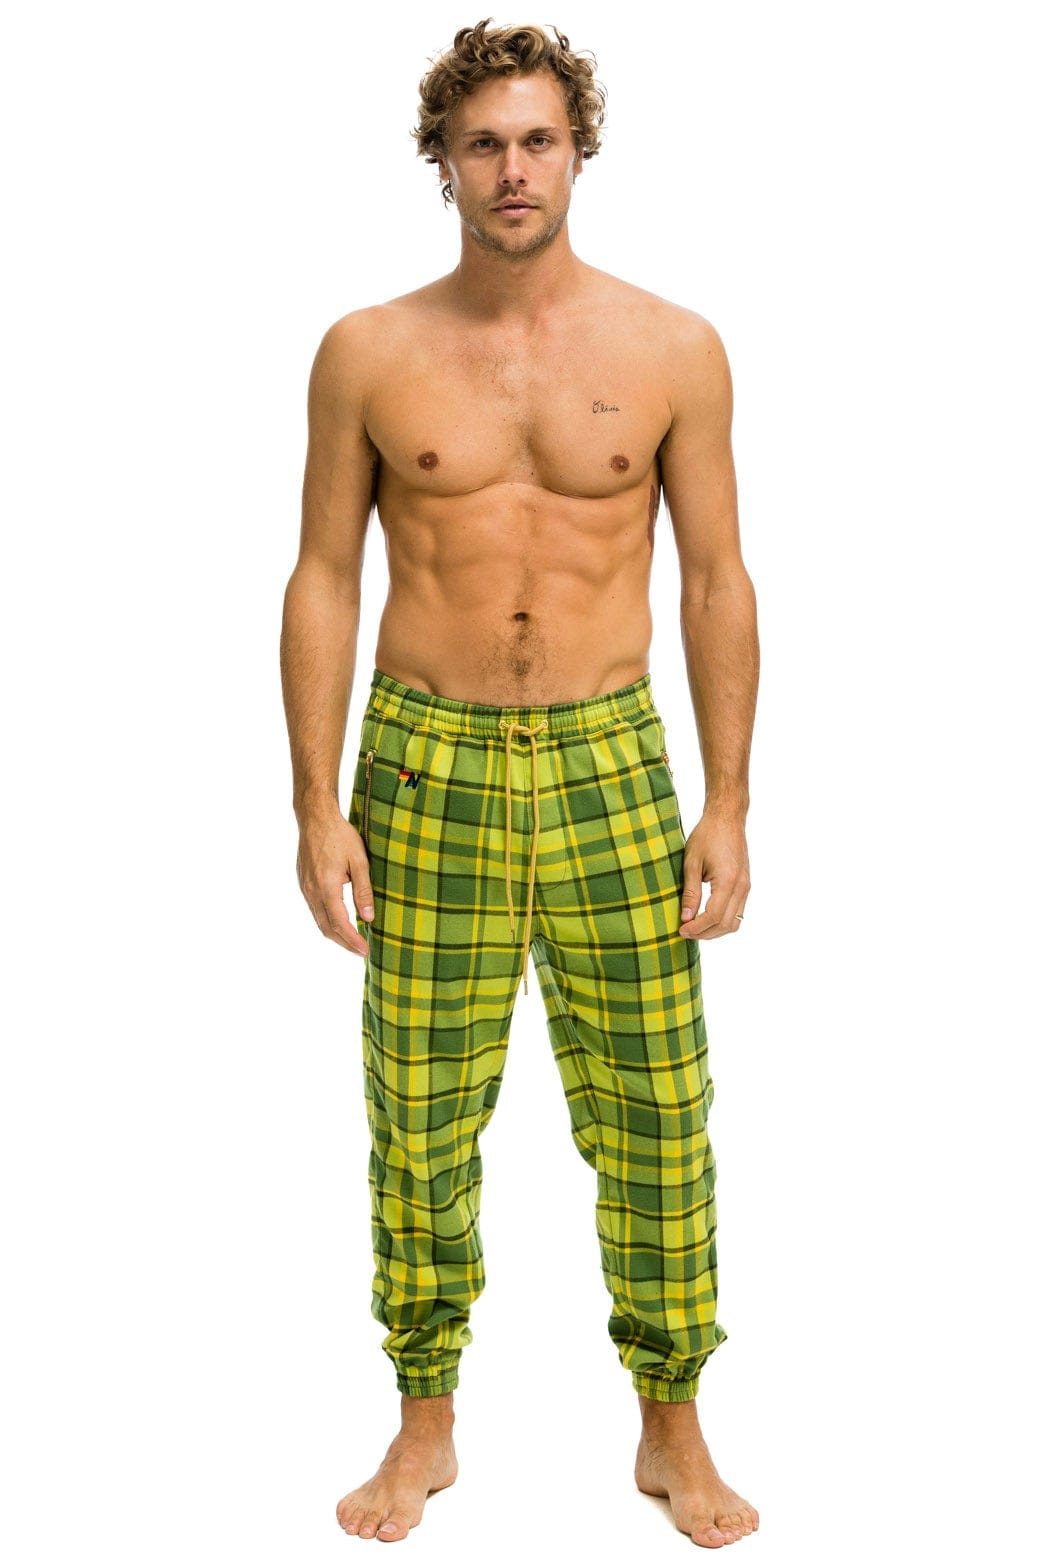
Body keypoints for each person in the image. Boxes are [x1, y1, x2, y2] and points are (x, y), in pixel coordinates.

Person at [280, 18, 760, 1548]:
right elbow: (322, 576)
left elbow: (716, 580)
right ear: (442, 161)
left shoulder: (675, 348)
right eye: (482, 142)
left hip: (613, 758)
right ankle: (424, 1419)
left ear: (578, 153)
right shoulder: (367, 352)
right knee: (419, 1111)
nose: (512, 169)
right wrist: (313, 802)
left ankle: (672, 1424)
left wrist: (729, 800)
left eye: (538, 140)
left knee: (659, 1106)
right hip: (427, 763)